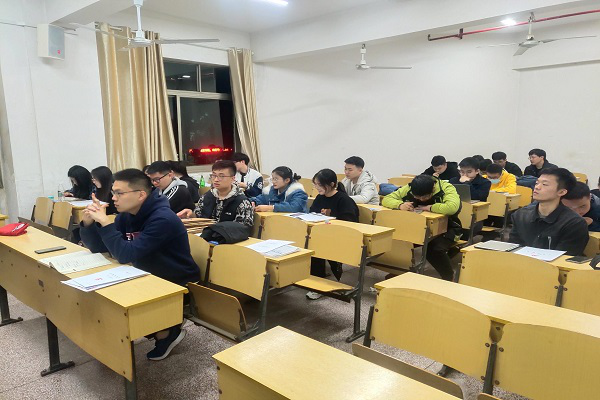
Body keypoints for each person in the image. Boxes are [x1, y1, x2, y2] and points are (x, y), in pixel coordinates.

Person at [79, 168, 200, 361]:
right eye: (113, 192)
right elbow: (101, 248)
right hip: (145, 272)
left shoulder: (163, 219)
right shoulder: (126, 216)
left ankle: (167, 331)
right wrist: (88, 224)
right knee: (98, 294)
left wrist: (106, 223)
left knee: (114, 298)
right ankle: (156, 329)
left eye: (119, 193)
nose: (113, 198)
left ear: (141, 194)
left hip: (175, 280)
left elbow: (125, 255)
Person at [382, 175, 462, 281]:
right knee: (400, 241)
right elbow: (387, 199)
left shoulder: (446, 188)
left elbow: (452, 207)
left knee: (433, 249)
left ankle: (448, 277)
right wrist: (400, 205)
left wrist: (430, 207)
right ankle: (400, 271)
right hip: (418, 227)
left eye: (424, 197)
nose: (421, 200)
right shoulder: (410, 187)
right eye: (417, 197)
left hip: (448, 228)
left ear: (433, 188)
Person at [509, 167, 589, 255]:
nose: (537, 187)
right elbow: (513, 248)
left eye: (545, 184)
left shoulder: (574, 223)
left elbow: (566, 257)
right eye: (537, 183)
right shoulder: (520, 215)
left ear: (561, 192)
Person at [307, 169, 359, 296]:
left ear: (331, 184)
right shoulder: (320, 197)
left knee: (315, 245)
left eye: (319, 184)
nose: (316, 187)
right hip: (323, 233)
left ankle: (318, 284)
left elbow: (350, 222)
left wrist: (331, 215)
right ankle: (312, 278)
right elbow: (312, 213)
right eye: (315, 184)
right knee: (309, 240)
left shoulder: (344, 200)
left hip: (341, 235)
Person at [177, 160, 254, 228]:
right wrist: (191, 215)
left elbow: (243, 229)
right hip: (204, 235)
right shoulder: (207, 196)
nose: (216, 180)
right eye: (214, 175)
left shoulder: (241, 201)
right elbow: (199, 216)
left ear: (232, 179)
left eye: (221, 176)